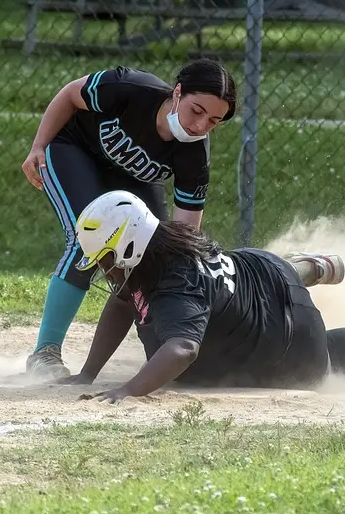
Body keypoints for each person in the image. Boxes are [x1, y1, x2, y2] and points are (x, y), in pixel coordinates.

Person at [50, 190, 345, 401]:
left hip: (291, 328)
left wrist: (127, 390)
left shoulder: (175, 286)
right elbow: (122, 304)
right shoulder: (165, 245)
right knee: (237, 298)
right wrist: (89, 372)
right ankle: (311, 267)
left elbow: (183, 349)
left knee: (321, 366)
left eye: (105, 259)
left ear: (129, 245)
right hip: (262, 269)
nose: (104, 269)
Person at [21, 60, 239, 379]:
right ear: (177, 93)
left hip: (132, 181)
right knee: (88, 242)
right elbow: (69, 95)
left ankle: (159, 340)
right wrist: (38, 146)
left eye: (214, 121)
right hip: (75, 151)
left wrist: (174, 264)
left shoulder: (194, 154)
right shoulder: (131, 88)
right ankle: (45, 353)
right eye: (197, 110)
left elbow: (184, 231)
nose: (200, 126)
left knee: (157, 255)